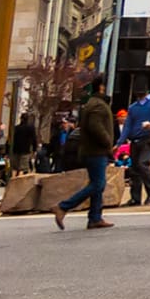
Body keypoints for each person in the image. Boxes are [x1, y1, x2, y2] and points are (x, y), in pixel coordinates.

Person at [57, 83, 118, 231]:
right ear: (101, 87)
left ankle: (95, 217)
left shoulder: (94, 103)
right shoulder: (97, 105)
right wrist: (108, 142)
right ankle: (63, 207)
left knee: (97, 184)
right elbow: (95, 126)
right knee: (98, 184)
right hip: (95, 151)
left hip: (94, 150)